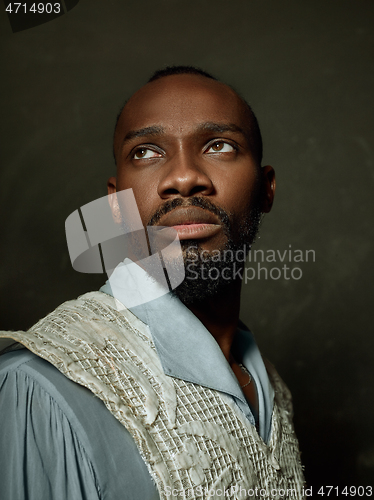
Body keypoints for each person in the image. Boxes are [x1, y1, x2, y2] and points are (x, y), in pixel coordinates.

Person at [0, 66, 305, 499]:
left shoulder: (271, 387)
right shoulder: (40, 390)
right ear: (116, 204)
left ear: (266, 188)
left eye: (219, 145)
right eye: (146, 152)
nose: (183, 178)